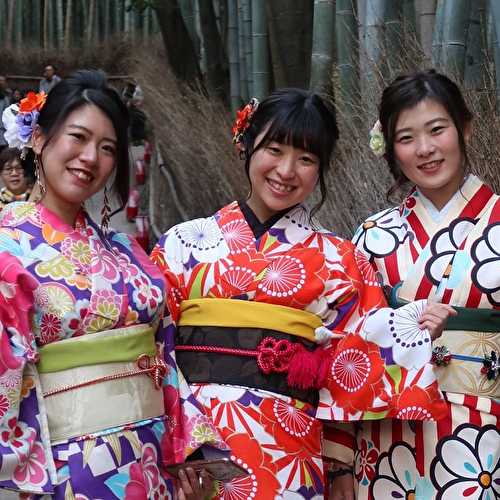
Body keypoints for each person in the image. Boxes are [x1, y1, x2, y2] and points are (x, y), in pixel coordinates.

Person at [151, 89, 454, 498]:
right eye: (274, 150)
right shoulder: (181, 243)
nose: (286, 170)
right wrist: (177, 443)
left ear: (322, 169)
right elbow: (153, 345)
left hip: (289, 448)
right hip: (194, 452)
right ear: (246, 145)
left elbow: (354, 359)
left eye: (306, 159)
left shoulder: (339, 258)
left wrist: (410, 329)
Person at [0, 70, 220, 498]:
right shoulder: (6, 246)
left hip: (153, 459)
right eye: (77, 138)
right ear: (41, 139)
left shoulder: (125, 248)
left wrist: (188, 448)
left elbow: (162, 353)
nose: (90, 158)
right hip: (68, 465)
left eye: (107, 148)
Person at [348, 70, 499, 500]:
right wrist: (399, 330)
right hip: (387, 437)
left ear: (464, 128)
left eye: (437, 130)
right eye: (407, 138)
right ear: (391, 150)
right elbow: (345, 351)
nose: (426, 149)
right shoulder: (372, 237)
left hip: (485, 433)